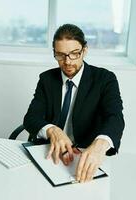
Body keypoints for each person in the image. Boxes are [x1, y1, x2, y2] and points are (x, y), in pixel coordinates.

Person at [23, 24, 124, 183]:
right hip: (50, 154)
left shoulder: (105, 79)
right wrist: (52, 130)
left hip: (85, 156)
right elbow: (30, 118)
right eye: (60, 55)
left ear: (85, 50)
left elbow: (115, 118)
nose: (67, 62)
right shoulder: (46, 79)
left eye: (74, 54)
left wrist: (100, 144)